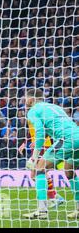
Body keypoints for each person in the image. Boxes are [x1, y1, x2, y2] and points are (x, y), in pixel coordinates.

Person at [22, 88, 79, 219]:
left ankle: (42, 211)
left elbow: (40, 132)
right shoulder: (54, 106)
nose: (25, 101)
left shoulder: (33, 111)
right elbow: (54, 126)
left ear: (31, 99)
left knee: (39, 170)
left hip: (66, 139)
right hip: (77, 135)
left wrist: (34, 156)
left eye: (26, 98)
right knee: (69, 170)